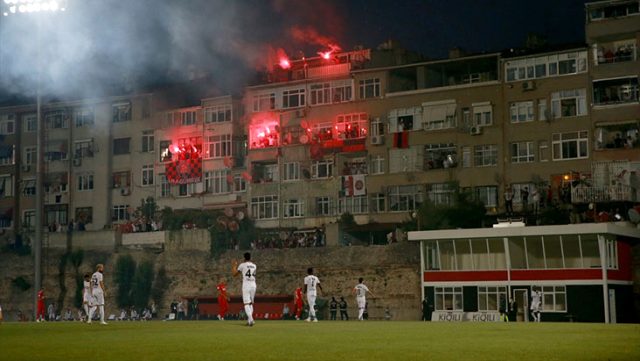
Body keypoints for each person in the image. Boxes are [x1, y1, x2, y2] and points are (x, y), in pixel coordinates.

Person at [232, 252, 257, 326]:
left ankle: (251, 320)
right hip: (253, 284)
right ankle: (249, 321)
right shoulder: (254, 265)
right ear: (250, 258)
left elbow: (234, 274)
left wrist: (234, 265)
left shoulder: (242, 265)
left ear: (244, 258)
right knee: (251, 303)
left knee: (246, 303)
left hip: (246, 284)